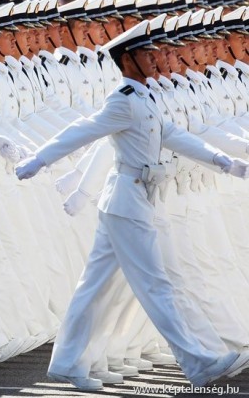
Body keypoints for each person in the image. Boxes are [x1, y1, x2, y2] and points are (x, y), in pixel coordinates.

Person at [15, 20, 249, 390]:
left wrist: (224, 161)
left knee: (94, 286)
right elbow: (84, 131)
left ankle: (67, 363)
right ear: (129, 60)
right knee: (156, 284)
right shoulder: (123, 100)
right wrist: (38, 160)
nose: (157, 59)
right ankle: (199, 362)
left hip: (132, 200)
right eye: (147, 55)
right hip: (127, 201)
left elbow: (174, 136)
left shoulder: (145, 97)